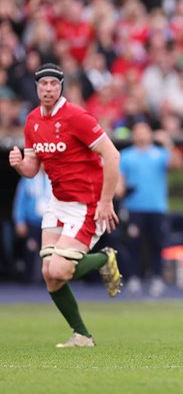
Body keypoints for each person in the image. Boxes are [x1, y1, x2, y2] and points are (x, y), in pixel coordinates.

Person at [8, 63, 122, 347]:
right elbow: (33, 167)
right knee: (50, 276)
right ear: (36, 87)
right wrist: (21, 166)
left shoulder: (76, 117)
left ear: (61, 87)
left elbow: (113, 155)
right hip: (57, 202)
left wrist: (106, 200)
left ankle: (104, 258)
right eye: (43, 84)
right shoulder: (32, 120)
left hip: (86, 204)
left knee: (59, 270)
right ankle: (82, 335)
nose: (48, 89)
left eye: (53, 84)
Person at [119, 121, 183, 297]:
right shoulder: (126, 156)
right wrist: (121, 192)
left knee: (157, 244)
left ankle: (157, 278)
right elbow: (119, 182)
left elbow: (178, 164)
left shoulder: (160, 153)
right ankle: (133, 278)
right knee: (134, 244)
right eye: (138, 131)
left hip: (157, 207)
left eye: (144, 131)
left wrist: (168, 143)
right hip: (134, 207)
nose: (141, 135)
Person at [12, 167, 52, 284]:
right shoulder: (28, 179)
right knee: (31, 249)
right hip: (33, 222)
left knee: (49, 252)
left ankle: (50, 281)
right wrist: (20, 221)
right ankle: (28, 281)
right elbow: (20, 201)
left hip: (50, 223)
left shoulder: (55, 177)